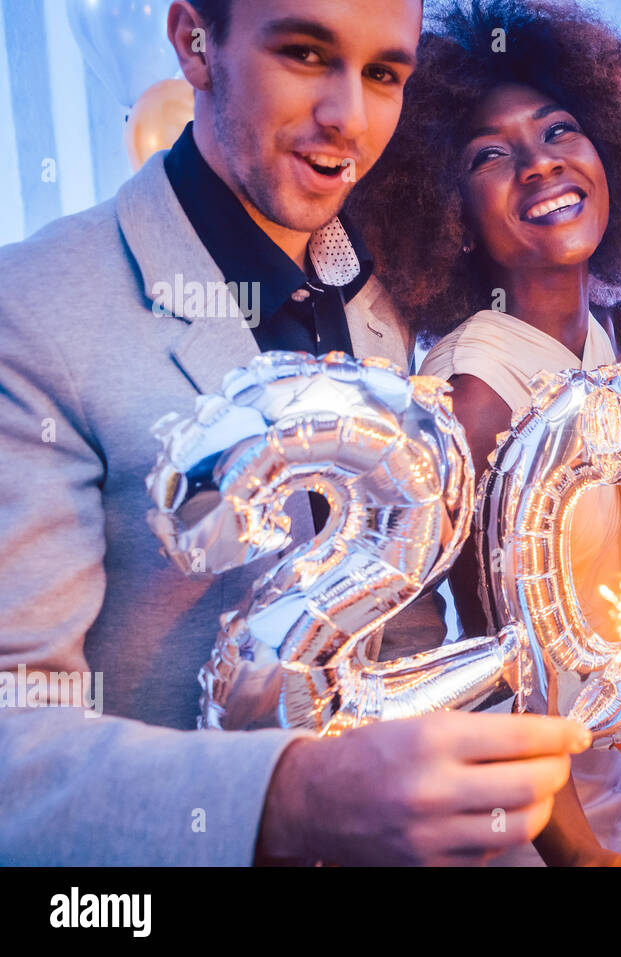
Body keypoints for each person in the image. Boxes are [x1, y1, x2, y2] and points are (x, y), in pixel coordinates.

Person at [0, 0, 589, 866]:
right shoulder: (35, 307)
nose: (348, 118)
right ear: (195, 44)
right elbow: (15, 753)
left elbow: (403, 632)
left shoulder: (385, 293)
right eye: (307, 53)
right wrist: (287, 798)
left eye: (384, 73)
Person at [349, 0, 621, 866]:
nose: (542, 165)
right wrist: (580, 851)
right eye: (492, 155)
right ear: (447, 206)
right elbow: (499, 662)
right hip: (543, 814)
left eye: (561, 131)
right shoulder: (476, 389)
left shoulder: (606, 342)